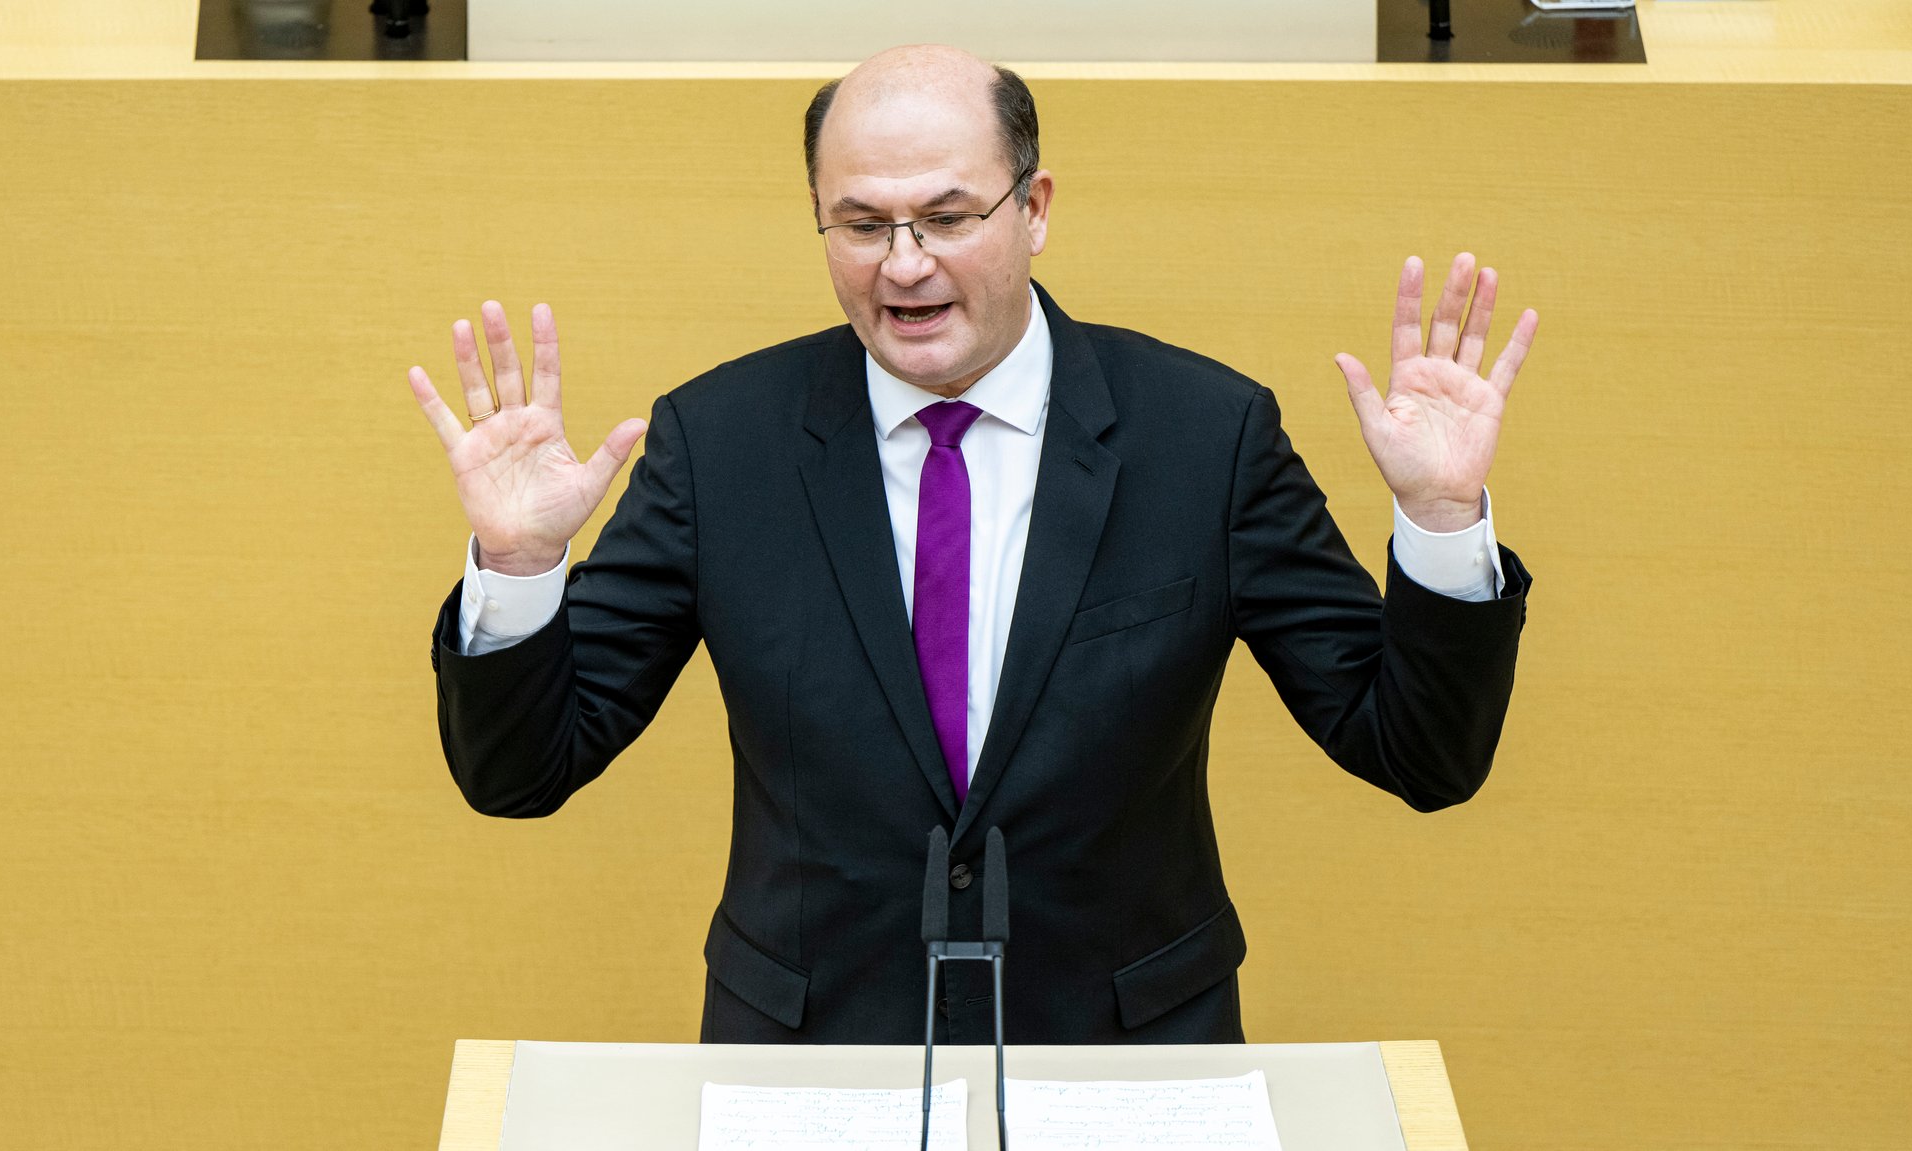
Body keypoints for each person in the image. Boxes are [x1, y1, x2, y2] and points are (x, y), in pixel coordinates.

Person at [408, 44, 1537, 1045]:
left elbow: (1416, 754)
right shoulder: (720, 444)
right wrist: (515, 568)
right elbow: (521, 772)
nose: (902, 264)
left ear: (1034, 206)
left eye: (947, 218)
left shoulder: (1204, 436)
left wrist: (1439, 522)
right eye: (860, 224)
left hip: (1119, 1053)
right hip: (815, 1054)